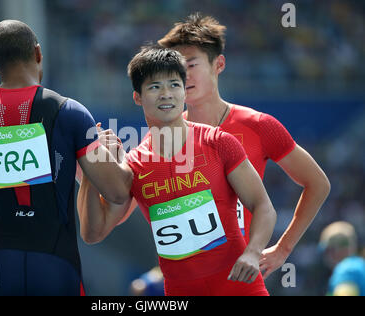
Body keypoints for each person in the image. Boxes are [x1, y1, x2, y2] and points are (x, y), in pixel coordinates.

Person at [117, 13, 331, 280]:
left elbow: (318, 183)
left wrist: (282, 248)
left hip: (242, 276)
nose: (183, 76)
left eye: (191, 65)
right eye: (176, 70)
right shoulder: (158, 140)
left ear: (219, 64)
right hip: (188, 281)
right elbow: (119, 208)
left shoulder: (258, 125)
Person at [0, 20, 132, 296]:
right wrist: (116, 156)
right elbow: (118, 192)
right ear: (38, 53)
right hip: (56, 267)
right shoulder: (70, 112)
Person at [78, 46, 277, 296]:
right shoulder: (133, 166)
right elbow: (94, 232)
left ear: (184, 92)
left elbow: (263, 206)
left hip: (240, 289)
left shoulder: (218, 142)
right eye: (154, 87)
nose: (166, 94)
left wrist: (253, 252)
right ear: (137, 97)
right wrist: (91, 163)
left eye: (174, 85)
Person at [320, 221, 365, 296]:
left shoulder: (347, 270)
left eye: (327, 250)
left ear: (335, 250)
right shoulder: (360, 265)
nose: (326, 256)